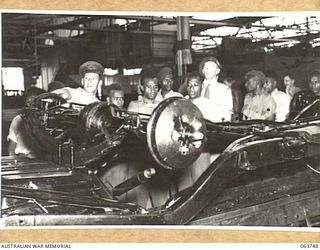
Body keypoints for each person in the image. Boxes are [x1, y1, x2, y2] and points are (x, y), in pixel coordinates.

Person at [7, 87, 47, 158]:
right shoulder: (17, 119)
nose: (30, 101)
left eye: (34, 99)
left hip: (42, 159)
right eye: (28, 99)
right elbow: (12, 146)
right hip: (22, 159)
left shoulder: (47, 121)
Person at [199, 56, 233, 122]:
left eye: (212, 67)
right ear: (203, 70)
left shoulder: (224, 90)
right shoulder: (196, 88)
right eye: (205, 67)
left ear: (217, 71)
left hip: (216, 127)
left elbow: (228, 113)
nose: (207, 69)